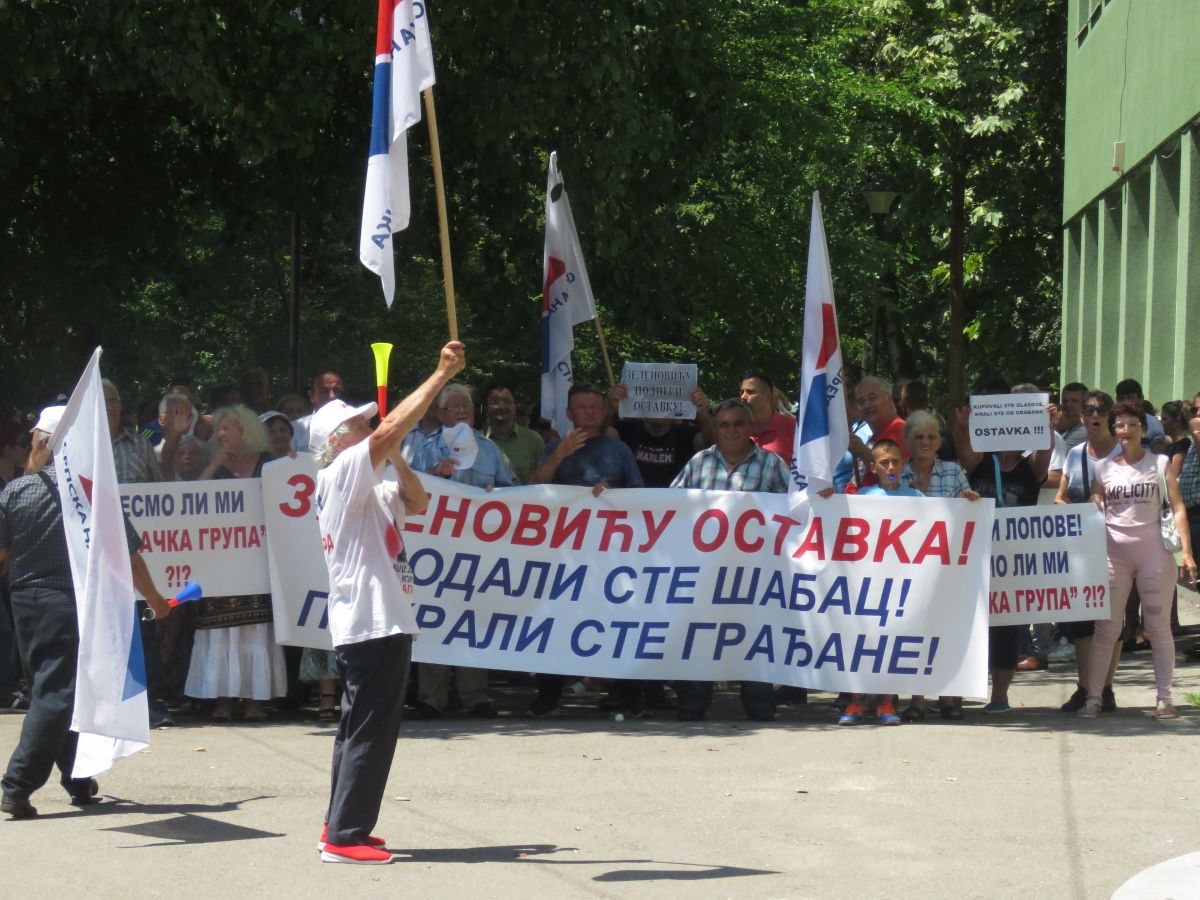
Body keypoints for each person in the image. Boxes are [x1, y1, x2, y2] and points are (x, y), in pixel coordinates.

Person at [311, 340, 464, 865]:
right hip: (373, 619)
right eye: (358, 425)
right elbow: (391, 427)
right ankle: (345, 836)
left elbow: (418, 501)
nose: (368, 430)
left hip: (376, 618)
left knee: (357, 727)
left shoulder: (367, 487)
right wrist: (440, 375)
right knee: (371, 730)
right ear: (336, 441)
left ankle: (339, 822)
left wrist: (396, 457)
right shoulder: (339, 474)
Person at [0, 407, 171, 820]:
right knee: (57, 694)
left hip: (26, 602)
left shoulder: (14, 492)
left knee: (58, 688)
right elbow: (128, 558)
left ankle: (78, 777)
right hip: (70, 601)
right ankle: (17, 783)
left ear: (40, 443)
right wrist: (156, 599)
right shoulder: (95, 495)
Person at [527, 383, 644, 717]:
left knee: (618, 621)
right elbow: (532, 488)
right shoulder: (554, 446)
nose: (590, 413)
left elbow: (641, 496)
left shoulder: (618, 450)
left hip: (610, 554)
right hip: (563, 554)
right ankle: (548, 694)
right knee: (556, 619)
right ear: (569, 413)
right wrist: (561, 454)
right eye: (583, 408)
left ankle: (627, 696)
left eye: (596, 407)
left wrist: (614, 491)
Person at [671, 399, 789, 722]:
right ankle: (693, 702)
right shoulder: (698, 464)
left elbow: (796, 511)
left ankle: (760, 702)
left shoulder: (772, 464)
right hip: (705, 570)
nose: (732, 430)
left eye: (739, 423)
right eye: (724, 424)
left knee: (754, 634)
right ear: (715, 429)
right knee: (700, 633)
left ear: (751, 428)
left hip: (755, 572)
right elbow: (668, 507)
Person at [1079, 401, 1197, 719]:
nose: (1126, 431)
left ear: (1143, 429)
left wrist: (1186, 552)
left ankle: (1164, 698)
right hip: (1113, 555)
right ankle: (1093, 697)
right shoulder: (1103, 467)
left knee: (1157, 628)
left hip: (1154, 555)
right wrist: (1096, 500)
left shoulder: (1159, 463)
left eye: (1133, 425)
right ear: (1113, 430)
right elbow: (1096, 496)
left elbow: (1178, 506)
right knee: (1107, 628)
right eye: (1120, 425)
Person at [411, 383, 512, 719]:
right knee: (435, 617)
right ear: (441, 414)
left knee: (473, 618)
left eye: (466, 406)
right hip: (435, 553)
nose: (461, 412)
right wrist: (431, 476)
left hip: (477, 553)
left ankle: (474, 696)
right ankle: (432, 698)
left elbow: (513, 494)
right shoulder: (423, 448)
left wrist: (495, 493)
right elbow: (408, 493)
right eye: (453, 407)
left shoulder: (489, 449)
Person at [954, 377, 1052, 714]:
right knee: (967, 620)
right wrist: (962, 425)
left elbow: (1045, 452)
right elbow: (962, 449)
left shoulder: (1030, 468)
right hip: (976, 555)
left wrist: (1047, 425)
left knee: (1006, 629)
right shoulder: (982, 462)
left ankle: (999, 697)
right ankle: (957, 691)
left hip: (1013, 562)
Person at [184, 406, 287, 722]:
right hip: (220, 563)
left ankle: (254, 698)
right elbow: (193, 503)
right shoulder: (215, 466)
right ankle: (223, 697)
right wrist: (214, 464)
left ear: (246, 431)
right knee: (221, 631)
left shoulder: (269, 465)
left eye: (227, 428)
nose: (221, 434)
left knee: (255, 629)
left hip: (259, 562)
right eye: (219, 430)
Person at [836, 440, 923, 726]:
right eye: (884, 463)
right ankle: (856, 702)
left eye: (896, 462)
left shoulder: (917, 497)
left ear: (903, 465)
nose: (891, 467)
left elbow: (944, 523)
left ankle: (886, 703)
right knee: (862, 643)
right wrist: (826, 498)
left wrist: (968, 503)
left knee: (894, 641)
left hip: (902, 582)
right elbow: (837, 522)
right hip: (867, 582)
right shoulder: (862, 497)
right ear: (873, 467)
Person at [898, 411, 979, 721]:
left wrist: (970, 500)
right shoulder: (898, 475)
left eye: (931, 437)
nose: (926, 442)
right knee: (917, 630)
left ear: (939, 441)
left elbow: (968, 511)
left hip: (949, 569)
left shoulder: (954, 472)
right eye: (918, 437)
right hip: (911, 570)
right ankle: (916, 699)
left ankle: (950, 698)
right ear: (907, 441)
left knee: (949, 631)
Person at [1054, 391, 1121, 712]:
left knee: (1113, 620)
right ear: (1082, 416)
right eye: (1089, 410)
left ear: (1110, 415)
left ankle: (1105, 688)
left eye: (1101, 410)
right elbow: (1061, 497)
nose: (1095, 415)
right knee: (1081, 621)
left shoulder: (1126, 453)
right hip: (1082, 550)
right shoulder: (1075, 454)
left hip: (1121, 549)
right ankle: (1084, 687)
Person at [845, 375, 909, 491]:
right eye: (861, 401)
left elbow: (895, 478)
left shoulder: (901, 431)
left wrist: (863, 453)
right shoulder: (877, 435)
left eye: (872, 398)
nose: (867, 405)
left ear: (889, 399)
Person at [482, 384, 545, 484]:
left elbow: (543, 480)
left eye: (507, 401)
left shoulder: (533, 440)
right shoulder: (476, 442)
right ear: (486, 408)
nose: (501, 406)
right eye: (494, 402)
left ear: (515, 406)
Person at [739, 374, 796, 463]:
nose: (743, 397)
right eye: (742, 392)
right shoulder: (737, 429)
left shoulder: (793, 427)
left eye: (750, 392)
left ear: (768, 395)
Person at [290, 370, 346, 453]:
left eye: (336, 390)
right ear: (312, 396)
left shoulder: (356, 424)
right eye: (325, 391)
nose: (332, 396)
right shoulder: (296, 428)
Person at [1057, 382, 1089, 449]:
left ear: (1084, 404)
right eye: (1065, 401)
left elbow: (1057, 455)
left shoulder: (1083, 431)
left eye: (1074, 401)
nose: (1068, 404)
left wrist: (1057, 430)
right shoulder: (1065, 427)